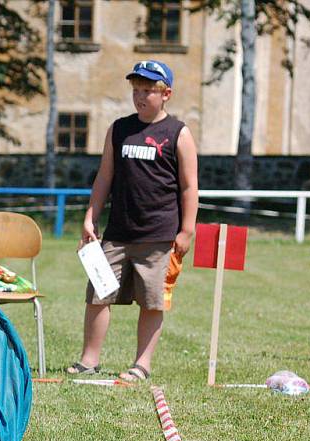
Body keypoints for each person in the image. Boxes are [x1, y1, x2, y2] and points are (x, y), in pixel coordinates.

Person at [66, 60, 198, 382]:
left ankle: (142, 364)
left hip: (158, 236)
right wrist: (89, 217)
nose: (140, 96)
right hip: (117, 233)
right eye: (136, 90)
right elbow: (104, 177)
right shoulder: (119, 129)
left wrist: (187, 230)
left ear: (166, 93)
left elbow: (189, 186)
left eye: (148, 90)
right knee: (98, 293)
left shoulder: (178, 133)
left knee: (152, 301)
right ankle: (89, 359)